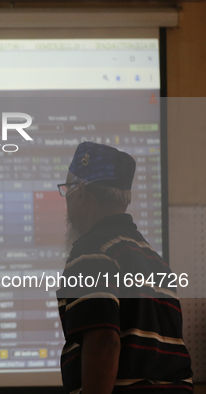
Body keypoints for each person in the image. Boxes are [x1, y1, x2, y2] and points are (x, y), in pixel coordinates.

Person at [56, 142, 193, 394]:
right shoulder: (158, 263)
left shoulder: (91, 251)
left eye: (67, 189)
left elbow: (104, 343)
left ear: (82, 192)